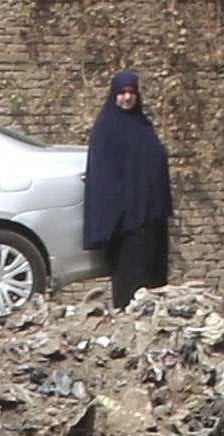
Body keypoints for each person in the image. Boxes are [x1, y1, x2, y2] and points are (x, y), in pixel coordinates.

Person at [84, 70, 172, 306]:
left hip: (149, 215)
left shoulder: (142, 125)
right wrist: (119, 208)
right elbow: (103, 173)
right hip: (124, 220)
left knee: (151, 269)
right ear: (114, 94)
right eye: (122, 92)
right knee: (128, 271)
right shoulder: (106, 127)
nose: (127, 98)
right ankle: (126, 314)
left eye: (131, 92)